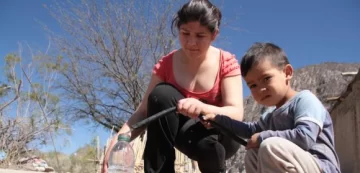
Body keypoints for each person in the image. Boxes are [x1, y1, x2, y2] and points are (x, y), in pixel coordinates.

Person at [101, 0, 244, 173]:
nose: (191, 42)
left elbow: (236, 113)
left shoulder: (226, 62)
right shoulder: (166, 65)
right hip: (186, 134)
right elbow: (143, 112)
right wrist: (118, 141)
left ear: (214, 34)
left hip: (222, 136)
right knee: (161, 94)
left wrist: (203, 108)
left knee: (208, 145)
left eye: (200, 36)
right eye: (185, 33)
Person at [202, 42, 341, 173]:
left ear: (287, 73)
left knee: (270, 145)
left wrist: (263, 137)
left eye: (266, 79)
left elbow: (305, 137)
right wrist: (218, 120)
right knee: (252, 153)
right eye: (253, 85)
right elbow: (250, 130)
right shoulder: (270, 115)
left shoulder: (305, 100)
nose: (261, 89)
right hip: (296, 166)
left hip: (320, 167)